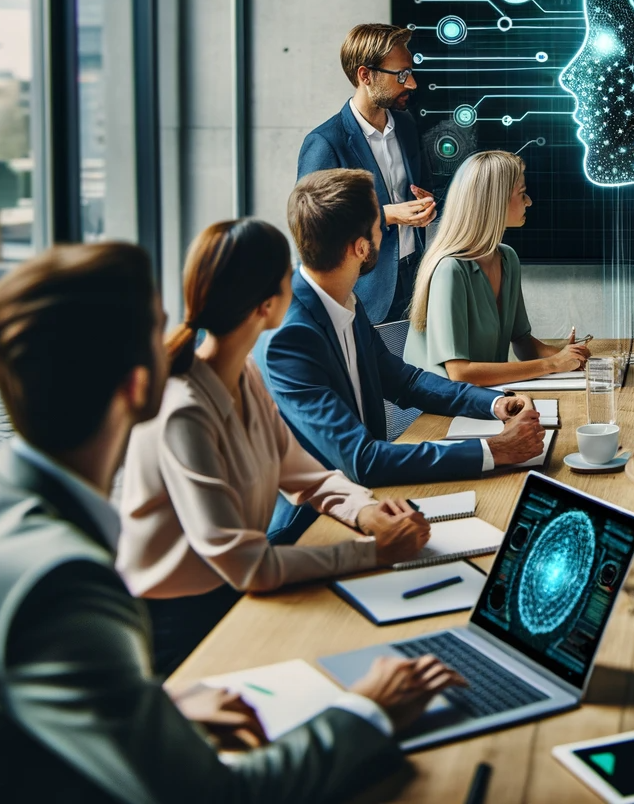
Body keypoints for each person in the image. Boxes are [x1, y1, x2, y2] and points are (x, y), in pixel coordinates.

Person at [0, 244, 465, 802]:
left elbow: (24, 691)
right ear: (138, 385)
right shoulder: (63, 579)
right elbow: (220, 794)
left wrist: (156, 709)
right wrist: (368, 710)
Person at [117, 219, 434, 676]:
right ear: (268, 306)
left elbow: (300, 472)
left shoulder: (244, 374)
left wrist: (365, 512)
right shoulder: (183, 410)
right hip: (184, 626)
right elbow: (247, 565)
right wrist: (374, 553)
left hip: (233, 592)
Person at [259, 169, 546, 511]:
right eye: (381, 225)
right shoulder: (289, 337)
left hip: (376, 499)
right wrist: (496, 450)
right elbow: (362, 460)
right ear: (361, 248)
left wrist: (493, 404)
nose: (387, 230)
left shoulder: (341, 298)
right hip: (318, 521)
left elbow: (405, 381)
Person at [405, 150, 590, 383]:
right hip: (443, 412)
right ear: (495, 202)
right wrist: (552, 364)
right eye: (522, 194)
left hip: (490, 399)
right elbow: (460, 374)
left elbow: (522, 343)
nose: (529, 201)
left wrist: (571, 357)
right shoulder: (449, 270)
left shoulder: (507, 258)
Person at [298, 23, 437, 324]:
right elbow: (313, 228)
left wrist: (427, 205)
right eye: (401, 74)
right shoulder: (325, 143)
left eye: (410, 72)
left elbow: (421, 187)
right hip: (366, 291)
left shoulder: (407, 126)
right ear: (365, 76)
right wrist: (389, 215)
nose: (411, 83)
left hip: (415, 278)